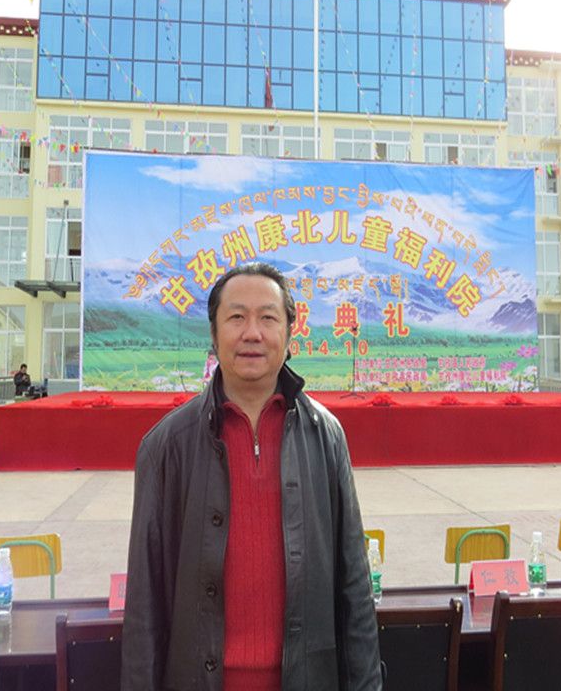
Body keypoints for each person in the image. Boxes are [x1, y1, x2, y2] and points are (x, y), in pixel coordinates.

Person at [122, 262, 382, 691]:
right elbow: (144, 604)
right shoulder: (166, 446)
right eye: (237, 317)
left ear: (290, 334)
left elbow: (354, 586)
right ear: (214, 333)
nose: (252, 333)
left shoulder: (326, 436)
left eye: (268, 318)